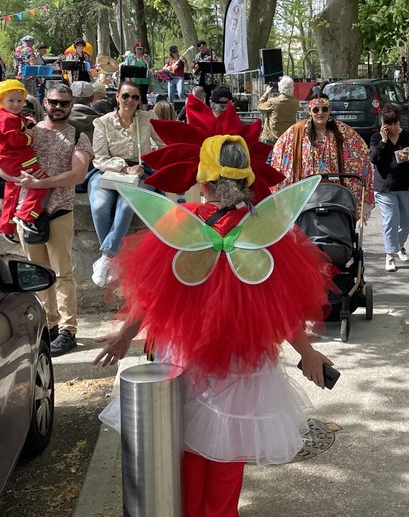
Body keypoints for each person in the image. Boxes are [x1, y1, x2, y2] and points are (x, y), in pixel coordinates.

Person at [92, 104, 331, 517]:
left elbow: (151, 294)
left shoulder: (181, 223)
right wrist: (307, 352)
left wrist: (125, 334)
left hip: (184, 355)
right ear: (250, 180)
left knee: (185, 449)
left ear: (202, 180)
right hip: (243, 360)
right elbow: (279, 307)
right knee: (227, 454)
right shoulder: (268, 233)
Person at [5, 83, 94, 357]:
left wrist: (40, 183)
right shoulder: (27, 131)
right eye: (54, 102)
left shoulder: (78, 135)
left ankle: (68, 329)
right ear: (46, 102)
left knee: (63, 274)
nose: (58, 107)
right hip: (27, 213)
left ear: (71, 105)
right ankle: (50, 324)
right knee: (38, 274)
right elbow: (2, 159)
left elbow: (78, 175)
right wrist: (11, 177)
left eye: (64, 103)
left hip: (59, 211)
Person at [88, 80, 163, 287]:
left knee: (128, 203)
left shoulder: (147, 119)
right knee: (100, 205)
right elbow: (100, 158)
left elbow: (163, 144)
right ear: (117, 97)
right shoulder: (102, 122)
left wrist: (160, 161)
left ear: (140, 100)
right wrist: (123, 167)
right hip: (108, 170)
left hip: (141, 171)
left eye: (135, 97)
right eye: (126, 96)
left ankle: (107, 257)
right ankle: (113, 258)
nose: (130, 100)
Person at [270, 94, 374, 217]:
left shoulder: (343, 131)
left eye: (324, 109)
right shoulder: (297, 131)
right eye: (316, 109)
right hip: (306, 192)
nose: (320, 113)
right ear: (309, 111)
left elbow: (360, 153)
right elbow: (279, 151)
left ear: (330, 110)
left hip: (334, 194)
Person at [369, 105, 409, 272]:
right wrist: (383, 141)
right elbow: (373, 158)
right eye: (388, 124)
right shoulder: (376, 138)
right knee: (391, 219)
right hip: (385, 187)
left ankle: (400, 245)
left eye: (395, 123)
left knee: (406, 220)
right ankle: (389, 255)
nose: (392, 127)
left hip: (407, 186)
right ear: (382, 123)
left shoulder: (408, 137)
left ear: (399, 122)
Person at [0, 79, 49, 240]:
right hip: (17, 160)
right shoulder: (9, 118)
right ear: (0, 100)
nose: (16, 105)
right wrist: (29, 137)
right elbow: (16, 140)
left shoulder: (5, 115)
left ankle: (5, 227)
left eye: (19, 101)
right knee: (42, 182)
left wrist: (25, 124)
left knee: (12, 191)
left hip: (7, 160)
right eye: (11, 101)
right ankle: (25, 216)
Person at [257, 75, 299, 145]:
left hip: (273, 138)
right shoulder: (296, 103)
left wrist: (266, 93)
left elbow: (260, 106)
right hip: (287, 137)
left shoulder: (274, 102)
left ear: (280, 88)